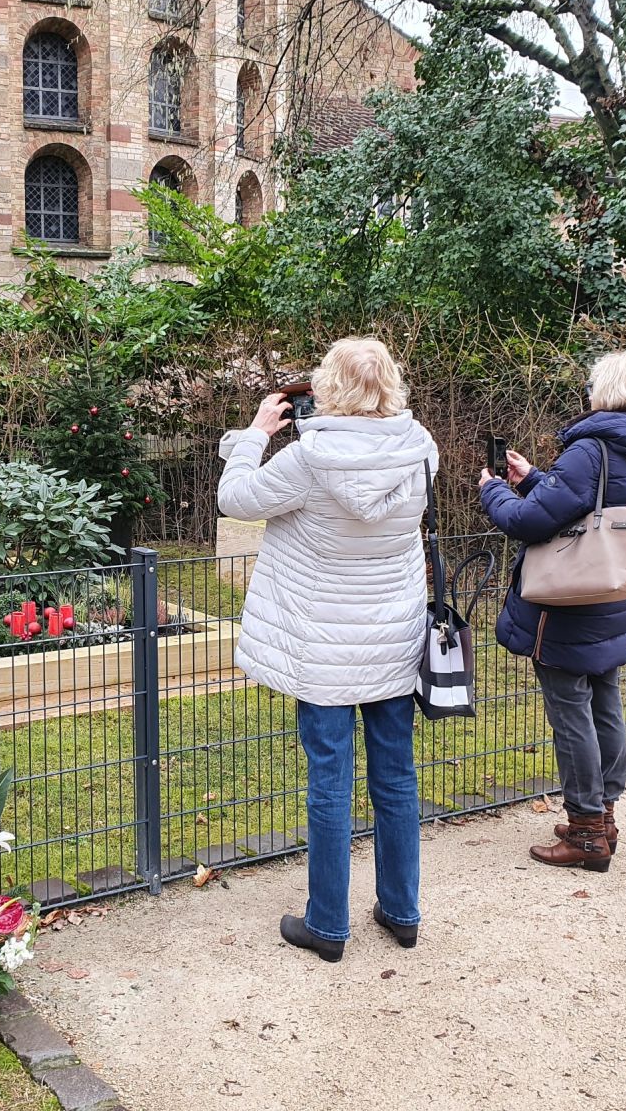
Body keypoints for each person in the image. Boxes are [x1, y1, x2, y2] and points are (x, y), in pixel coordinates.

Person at [217, 337, 438, 961]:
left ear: (327, 387)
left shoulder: (310, 458)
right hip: (392, 635)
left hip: (323, 645)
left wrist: (256, 433)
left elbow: (235, 500)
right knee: (396, 776)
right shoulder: (420, 447)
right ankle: (402, 911)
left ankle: (328, 926)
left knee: (330, 781)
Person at [479, 348, 626, 871]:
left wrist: (495, 492)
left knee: (571, 713)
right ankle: (604, 816)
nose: (588, 391)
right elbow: (590, 509)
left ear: (608, 389)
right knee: (605, 701)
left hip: (568, 600)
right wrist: (533, 478)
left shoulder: (591, 448)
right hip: (611, 592)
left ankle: (586, 830)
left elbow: (531, 522)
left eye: (593, 383)